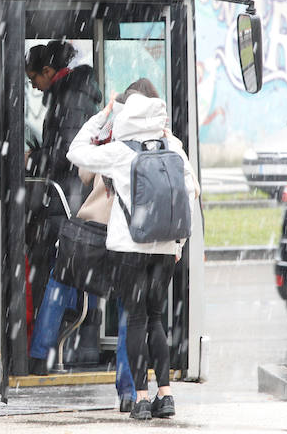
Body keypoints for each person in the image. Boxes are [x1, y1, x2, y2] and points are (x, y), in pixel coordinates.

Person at [66, 79, 199, 420]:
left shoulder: (121, 151)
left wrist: (104, 115)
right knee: (156, 319)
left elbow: (75, 151)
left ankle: (140, 398)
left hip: (130, 246)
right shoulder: (173, 147)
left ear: (128, 112)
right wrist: (179, 243)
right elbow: (191, 192)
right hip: (166, 247)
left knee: (135, 318)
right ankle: (165, 395)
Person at [24, 40, 101, 375]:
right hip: (76, 200)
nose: (33, 86)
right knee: (84, 275)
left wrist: (35, 157)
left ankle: (42, 353)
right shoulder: (74, 94)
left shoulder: (69, 99)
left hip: (67, 202)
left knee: (61, 274)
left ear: (48, 71)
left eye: (33, 79)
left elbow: (66, 154)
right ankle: (83, 349)